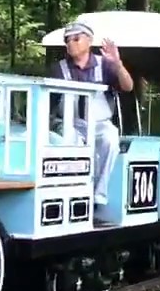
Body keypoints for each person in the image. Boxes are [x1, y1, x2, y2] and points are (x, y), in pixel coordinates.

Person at [49, 20, 134, 212]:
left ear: (89, 41)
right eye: (67, 40)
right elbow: (50, 104)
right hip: (70, 124)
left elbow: (128, 87)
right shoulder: (59, 69)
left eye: (76, 38)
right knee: (67, 141)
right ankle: (74, 194)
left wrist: (118, 64)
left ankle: (98, 194)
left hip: (99, 124)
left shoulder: (105, 65)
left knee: (110, 139)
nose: (71, 43)